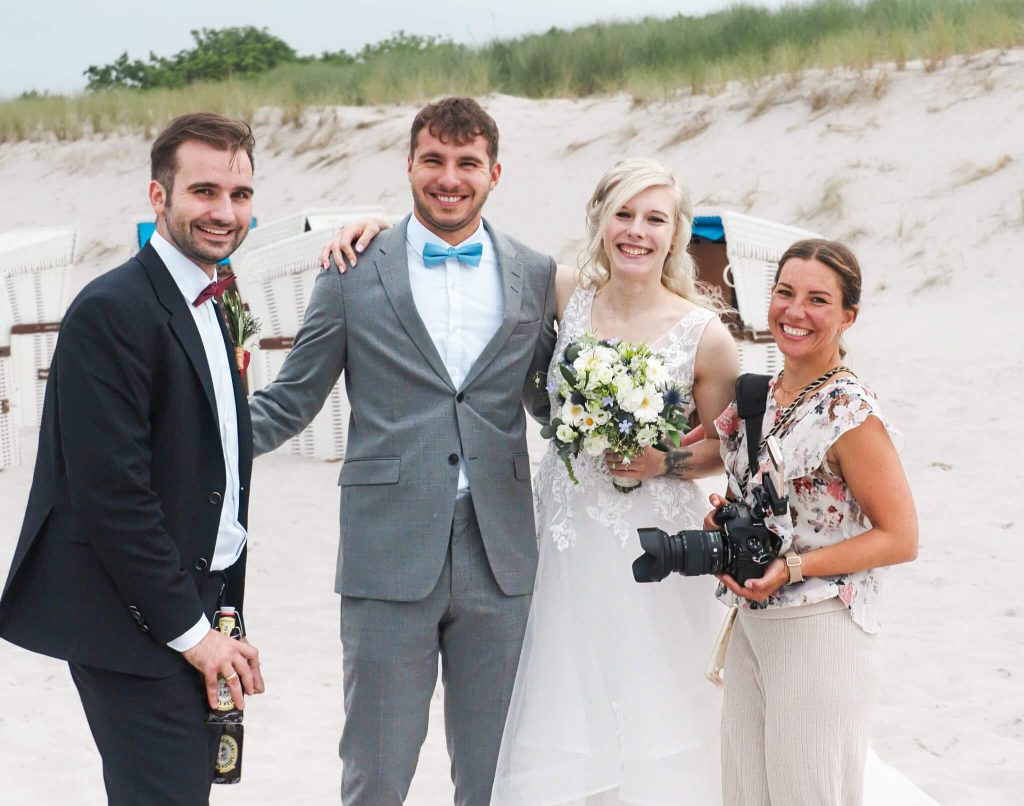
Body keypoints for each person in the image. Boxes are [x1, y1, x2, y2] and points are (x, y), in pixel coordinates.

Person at [326, 158, 741, 804]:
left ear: (676, 233)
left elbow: (723, 449)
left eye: (654, 219)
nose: (636, 232)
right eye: (623, 215)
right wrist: (378, 229)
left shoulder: (705, 335)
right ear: (601, 221)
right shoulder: (563, 292)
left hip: (654, 535)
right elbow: (469, 250)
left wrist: (666, 463)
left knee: (657, 696)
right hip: (560, 527)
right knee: (554, 694)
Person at [247, 97, 557, 805]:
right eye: (434, 161)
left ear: (494, 173)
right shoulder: (352, 269)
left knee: (495, 775)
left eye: (467, 163)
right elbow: (291, 400)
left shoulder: (536, 274)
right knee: (376, 773)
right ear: (410, 166)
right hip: (386, 554)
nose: (450, 178)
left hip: (502, 558)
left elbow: (550, 404)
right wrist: (194, 437)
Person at [0, 113, 265, 805]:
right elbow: (112, 496)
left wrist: (225, 617)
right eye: (203, 191)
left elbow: (214, 466)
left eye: (239, 195)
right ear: (158, 198)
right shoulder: (111, 311)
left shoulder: (214, 294)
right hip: (132, 621)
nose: (223, 211)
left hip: (197, 608)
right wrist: (193, 635)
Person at [709, 239, 921, 806]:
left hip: (822, 629)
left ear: (848, 316)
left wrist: (795, 565)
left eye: (817, 300)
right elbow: (753, 491)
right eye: (785, 292)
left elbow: (900, 537)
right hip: (753, 622)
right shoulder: (760, 394)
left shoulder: (849, 413)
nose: (795, 312)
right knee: (746, 794)